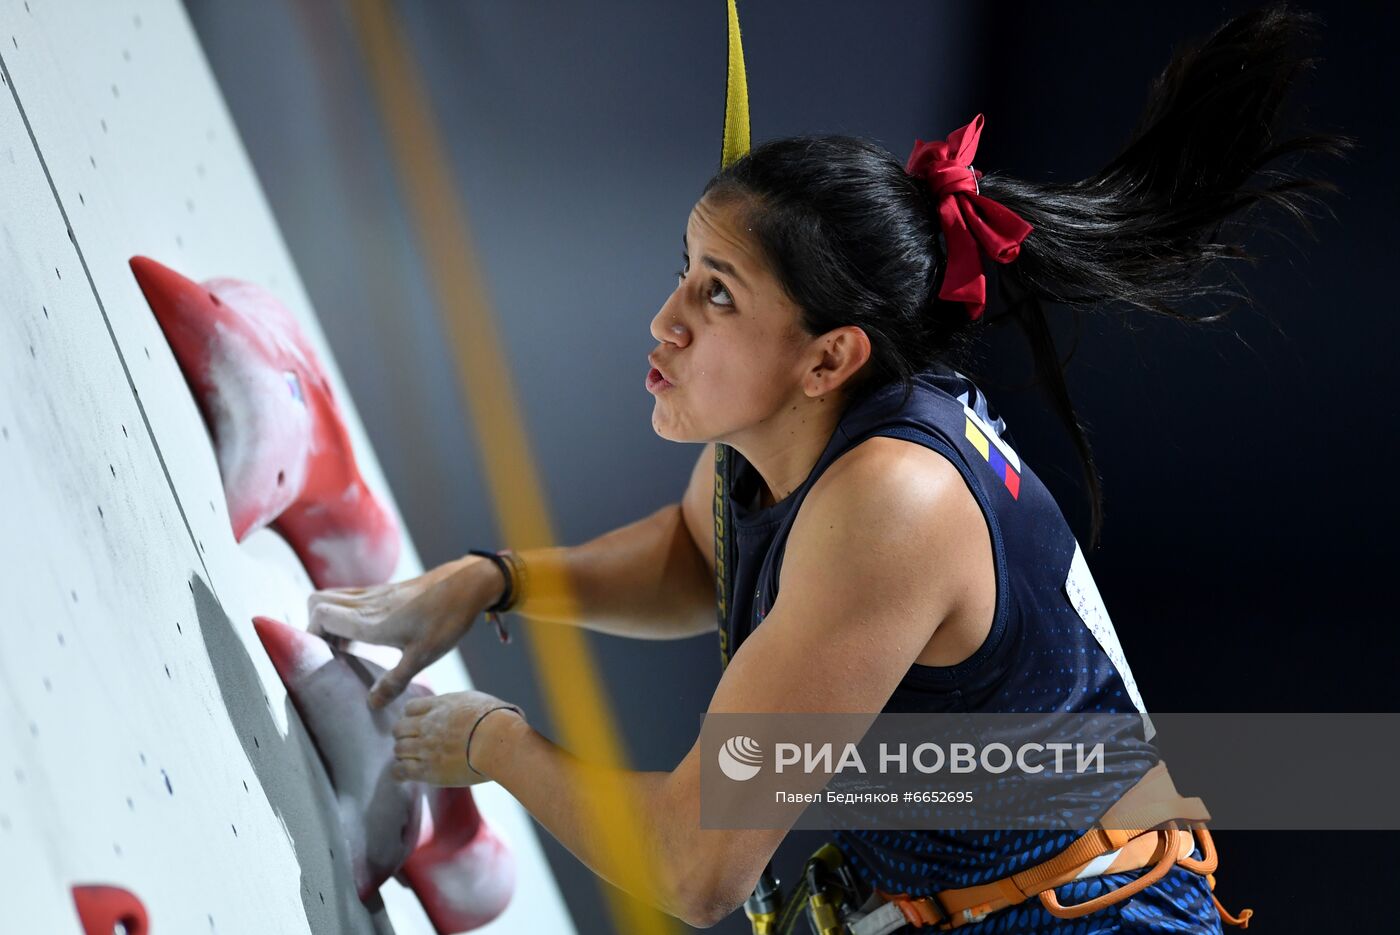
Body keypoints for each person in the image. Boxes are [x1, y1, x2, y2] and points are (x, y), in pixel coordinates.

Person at [308, 5, 1348, 931]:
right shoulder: (810, 422)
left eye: (717, 295)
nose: (664, 323)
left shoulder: (889, 503)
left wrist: (485, 739)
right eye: (685, 271)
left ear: (828, 355)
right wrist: (496, 578)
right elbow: (695, 552)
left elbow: (694, 862)